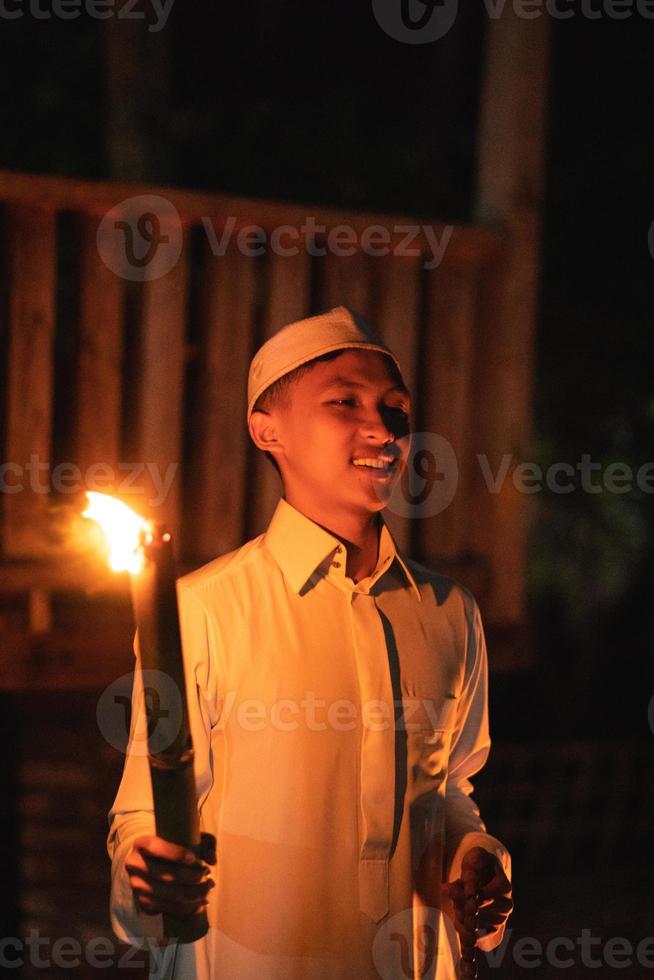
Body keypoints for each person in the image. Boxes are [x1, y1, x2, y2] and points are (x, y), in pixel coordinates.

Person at [107, 305, 513, 979]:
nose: (381, 427)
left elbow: (448, 787)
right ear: (267, 430)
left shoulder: (448, 613)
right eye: (343, 402)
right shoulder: (202, 609)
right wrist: (146, 871)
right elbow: (144, 812)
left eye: (395, 406)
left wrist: (475, 854)